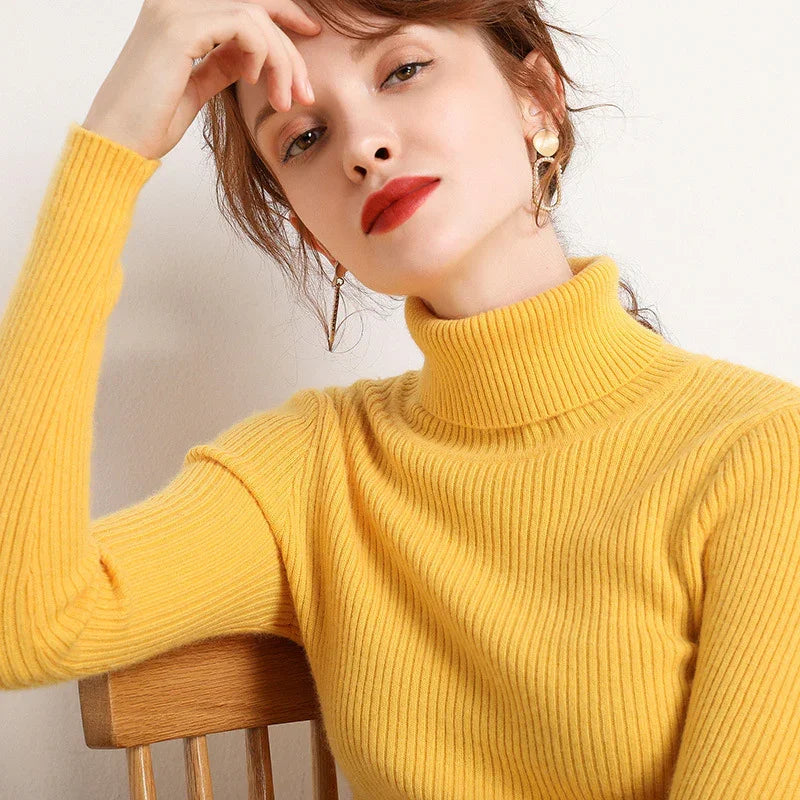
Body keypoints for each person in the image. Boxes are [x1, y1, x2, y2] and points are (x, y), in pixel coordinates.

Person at [1, 1, 799, 798]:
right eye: (303, 138)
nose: (364, 146)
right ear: (314, 232)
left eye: (404, 70)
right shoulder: (315, 470)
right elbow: (26, 622)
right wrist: (111, 146)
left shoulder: (758, 452)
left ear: (538, 99)